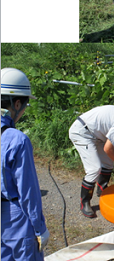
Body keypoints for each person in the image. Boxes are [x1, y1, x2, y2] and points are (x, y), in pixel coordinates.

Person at [1, 68, 50, 260]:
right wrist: (40, 228)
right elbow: (28, 192)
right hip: (16, 219)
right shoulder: (17, 139)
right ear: (17, 103)